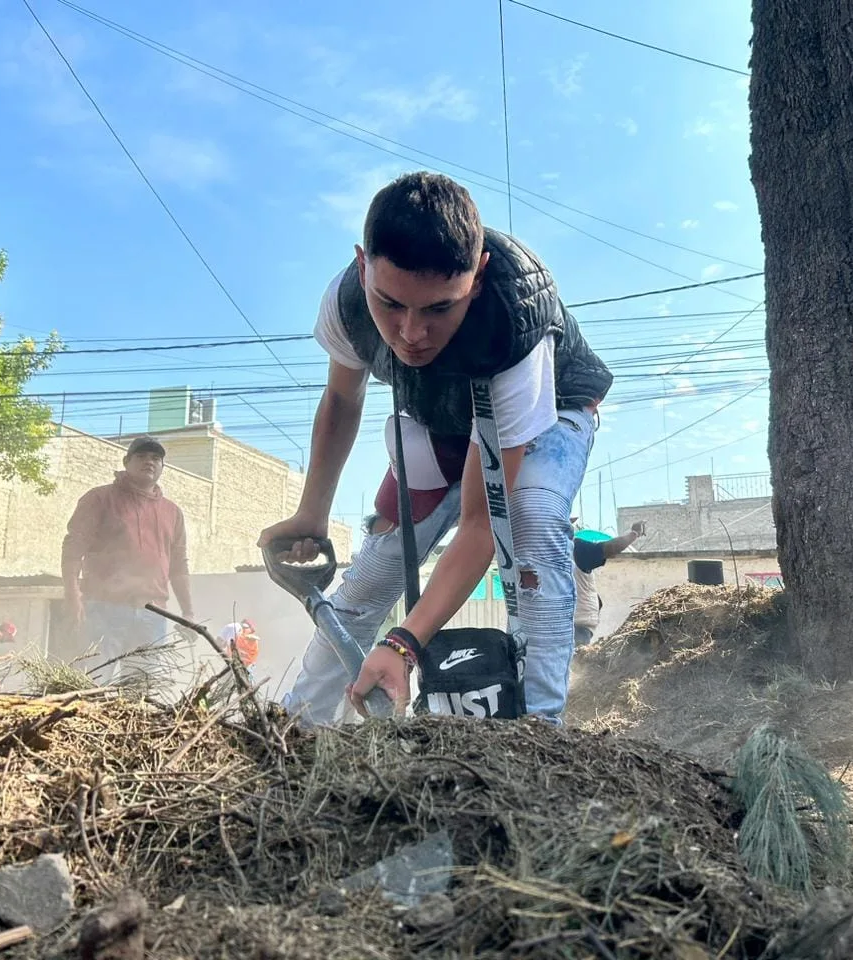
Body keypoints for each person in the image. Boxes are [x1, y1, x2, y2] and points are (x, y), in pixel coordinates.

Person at [258, 170, 613, 725]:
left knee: (531, 517)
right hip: (441, 418)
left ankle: (543, 731)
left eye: (439, 309)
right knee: (377, 569)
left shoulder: (514, 322)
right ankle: (299, 726)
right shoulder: (347, 304)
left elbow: (480, 525)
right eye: (391, 303)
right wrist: (312, 514)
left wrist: (403, 644)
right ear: (362, 265)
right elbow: (341, 400)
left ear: (478, 278)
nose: (410, 333)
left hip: (551, 410)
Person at [62, 436, 193, 683]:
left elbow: (179, 565)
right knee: (93, 683)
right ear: (126, 462)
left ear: (163, 466)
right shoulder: (99, 499)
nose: (149, 462)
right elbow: (73, 548)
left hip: (152, 614)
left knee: (141, 693)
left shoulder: (172, 512)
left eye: (156, 458)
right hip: (103, 608)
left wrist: (188, 612)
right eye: (141, 456)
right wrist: (73, 595)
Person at [572, 520, 646, 648]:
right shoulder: (573, 548)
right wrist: (634, 534)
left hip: (572, 625)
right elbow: (608, 548)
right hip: (574, 625)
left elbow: (607, 549)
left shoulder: (573, 548)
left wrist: (633, 534)